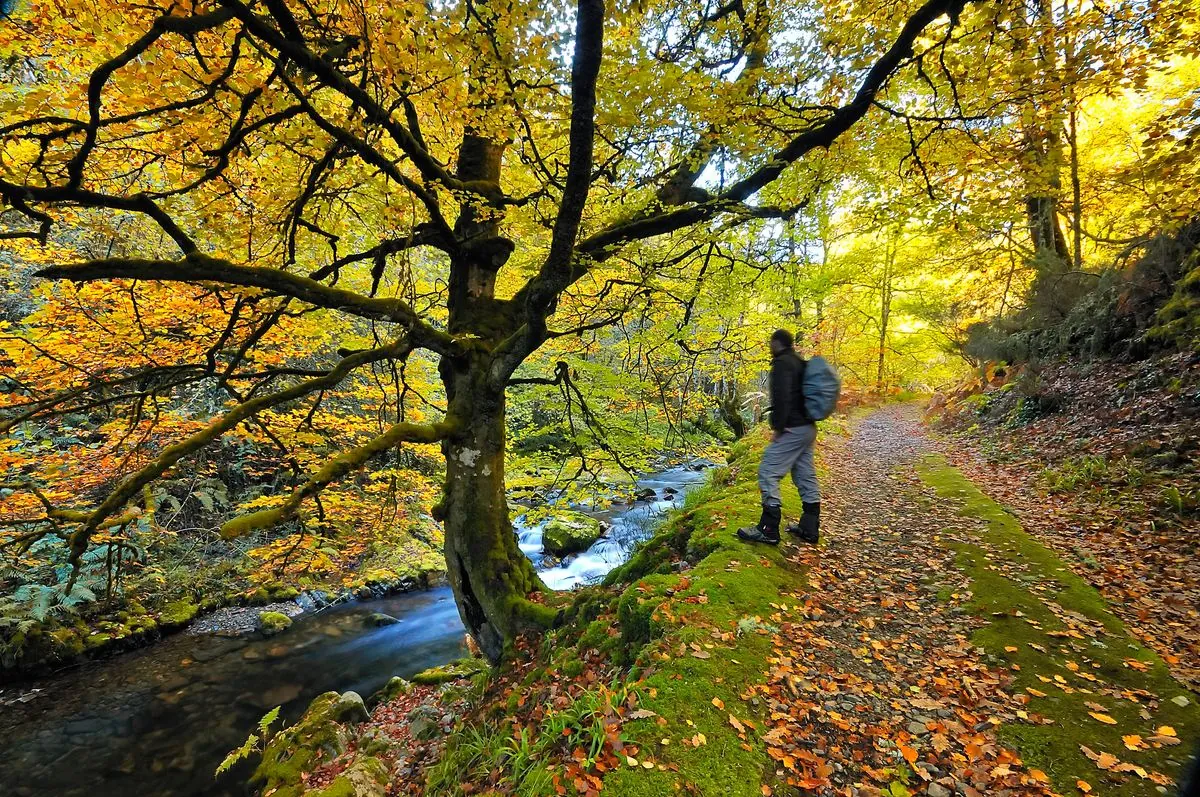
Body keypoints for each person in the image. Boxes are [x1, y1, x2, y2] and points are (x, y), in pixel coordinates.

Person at [737, 329, 821, 545]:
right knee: (805, 475)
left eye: (770, 342)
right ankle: (810, 527)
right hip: (808, 428)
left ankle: (768, 529)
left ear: (777, 343)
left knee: (768, 471)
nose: (769, 346)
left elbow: (782, 397)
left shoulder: (782, 363)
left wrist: (779, 427)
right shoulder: (800, 362)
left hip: (792, 428)